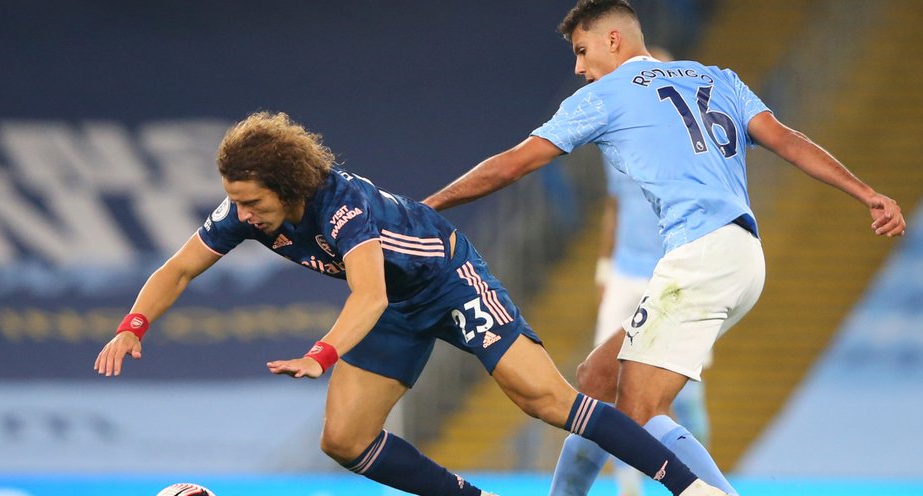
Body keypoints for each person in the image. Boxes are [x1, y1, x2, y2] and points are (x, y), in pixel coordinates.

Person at [94, 111, 728, 496]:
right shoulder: (247, 212)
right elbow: (179, 268)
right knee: (344, 440)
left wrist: (321, 355)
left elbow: (367, 294)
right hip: (395, 305)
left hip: (448, 280)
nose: (242, 213)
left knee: (545, 400)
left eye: (252, 202)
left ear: (287, 187)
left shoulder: (343, 207)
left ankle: (689, 486)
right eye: (234, 200)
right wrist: (133, 326)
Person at [422, 1, 906, 494]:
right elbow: (787, 139)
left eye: (582, 50)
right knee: (597, 377)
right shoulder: (717, 78)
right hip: (740, 255)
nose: (579, 68)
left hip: (701, 255)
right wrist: (866, 193)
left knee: (640, 410)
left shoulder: (605, 95)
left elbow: (513, 164)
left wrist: (428, 207)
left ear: (613, 40)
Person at [551, 47, 713, 496]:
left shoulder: (691, 144)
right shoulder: (620, 136)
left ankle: (704, 480)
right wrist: (604, 269)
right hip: (625, 271)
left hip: (673, 272)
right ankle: (629, 486)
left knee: (685, 395)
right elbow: (615, 205)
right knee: (601, 383)